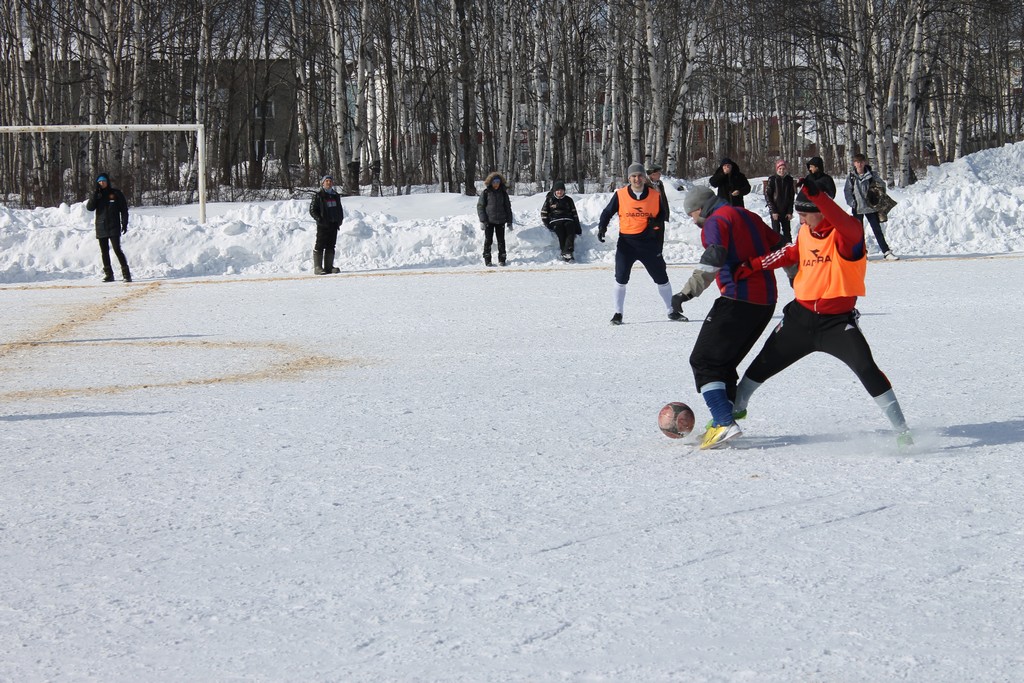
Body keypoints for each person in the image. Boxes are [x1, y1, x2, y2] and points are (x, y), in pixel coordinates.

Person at [730, 176, 913, 448]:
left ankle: (901, 430)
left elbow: (848, 223)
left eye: (805, 215)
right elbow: (789, 253)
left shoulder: (846, 238)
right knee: (761, 365)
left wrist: (820, 197)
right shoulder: (805, 233)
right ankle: (734, 411)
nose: (801, 221)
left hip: (836, 324)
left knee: (866, 367)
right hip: (799, 319)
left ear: (820, 212)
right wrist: (753, 265)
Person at [671, 187, 785, 449]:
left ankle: (723, 422)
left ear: (702, 208)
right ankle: (722, 418)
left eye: (692, 214)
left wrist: (686, 293)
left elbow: (714, 258)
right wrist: (797, 278)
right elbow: (780, 246)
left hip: (737, 300)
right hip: (766, 302)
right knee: (724, 363)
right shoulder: (749, 215)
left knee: (704, 361)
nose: (693, 220)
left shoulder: (715, 221)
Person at [597, 162, 681, 324]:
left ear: (644, 177)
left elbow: (661, 218)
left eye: (640, 175)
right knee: (621, 278)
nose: (637, 179)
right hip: (626, 244)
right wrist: (602, 227)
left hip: (648, 244)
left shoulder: (654, 195)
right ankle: (618, 313)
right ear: (629, 178)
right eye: (633, 176)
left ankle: (672, 311)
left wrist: (655, 227)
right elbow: (607, 212)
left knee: (661, 277)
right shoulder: (620, 195)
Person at [844, 153, 899, 261]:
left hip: (871, 207)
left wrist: (875, 189)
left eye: (861, 162)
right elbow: (847, 191)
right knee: (858, 233)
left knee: (877, 230)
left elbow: (882, 185)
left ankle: (886, 252)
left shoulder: (872, 174)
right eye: (857, 162)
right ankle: (862, 253)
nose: (859, 164)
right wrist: (852, 202)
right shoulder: (851, 177)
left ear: (865, 162)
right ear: (854, 164)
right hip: (858, 207)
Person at [85, 173, 131, 283]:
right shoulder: (97, 195)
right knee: (104, 252)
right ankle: (109, 274)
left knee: (117, 249)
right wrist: (95, 195)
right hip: (101, 226)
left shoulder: (115, 193)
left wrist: (124, 223)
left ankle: (126, 274)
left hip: (114, 226)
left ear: (107, 182)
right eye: (100, 181)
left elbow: (124, 209)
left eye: (103, 181)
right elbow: (90, 208)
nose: (102, 183)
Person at [308, 174, 344, 274]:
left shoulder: (335, 195)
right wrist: (319, 219)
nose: (328, 183)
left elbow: (339, 209)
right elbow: (312, 210)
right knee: (319, 245)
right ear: (323, 183)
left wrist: (339, 219)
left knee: (331, 245)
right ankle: (318, 267)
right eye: (326, 181)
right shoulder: (318, 195)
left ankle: (329, 267)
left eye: (330, 181)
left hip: (333, 224)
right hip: (323, 225)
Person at [477, 172, 514, 267]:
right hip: (489, 221)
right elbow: (480, 207)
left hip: (501, 221)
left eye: (498, 182)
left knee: (501, 240)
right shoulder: (486, 193)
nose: (496, 184)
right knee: (488, 240)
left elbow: (507, 207)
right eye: (494, 182)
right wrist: (482, 220)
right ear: (490, 182)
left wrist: (509, 221)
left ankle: (502, 259)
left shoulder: (503, 193)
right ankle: (487, 259)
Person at [540, 180, 581, 262]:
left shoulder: (568, 200)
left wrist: (577, 226)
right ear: (555, 191)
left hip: (568, 219)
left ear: (564, 191)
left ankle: (568, 250)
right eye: (558, 190)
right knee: (560, 231)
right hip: (555, 220)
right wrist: (547, 224)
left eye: (561, 190)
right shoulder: (549, 200)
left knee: (570, 230)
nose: (560, 192)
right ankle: (565, 251)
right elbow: (544, 213)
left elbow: (574, 213)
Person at [764, 159, 796, 243]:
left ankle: (789, 249)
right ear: (777, 169)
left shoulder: (789, 180)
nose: (782, 170)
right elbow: (768, 196)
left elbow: (791, 197)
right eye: (780, 169)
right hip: (775, 210)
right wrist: (773, 211)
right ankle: (776, 250)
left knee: (787, 233)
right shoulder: (772, 179)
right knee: (776, 232)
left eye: (783, 168)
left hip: (785, 211)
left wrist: (790, 211)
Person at [646, 162, 670, 247]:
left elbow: (663, 199)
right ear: (652, 174)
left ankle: (658, 254)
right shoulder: (645, 185)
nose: (660, 175)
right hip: (650, 216)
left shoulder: (659, 184)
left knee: (660, 237)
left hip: (660, 214)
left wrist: (666, 213)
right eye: (658, 173)